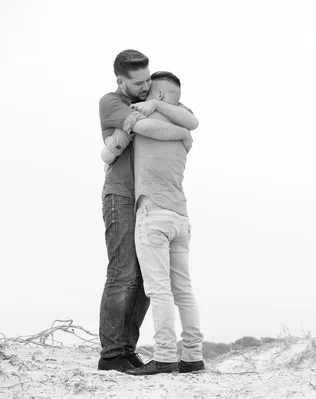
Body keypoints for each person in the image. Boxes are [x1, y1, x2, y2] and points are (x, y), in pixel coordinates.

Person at [98, 49, 198, 373]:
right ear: (120, 81)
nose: (144, 87)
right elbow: (146, 130)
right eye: (138, 82)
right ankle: (112, 352)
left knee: (143, 280)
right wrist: (180, 132)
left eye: (147, 81)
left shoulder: (153, 104)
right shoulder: (111, 103)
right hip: (121, 194)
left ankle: (126, 348)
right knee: (122, 273)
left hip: (149, 202)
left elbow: (190, 120)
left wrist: (162, 110)